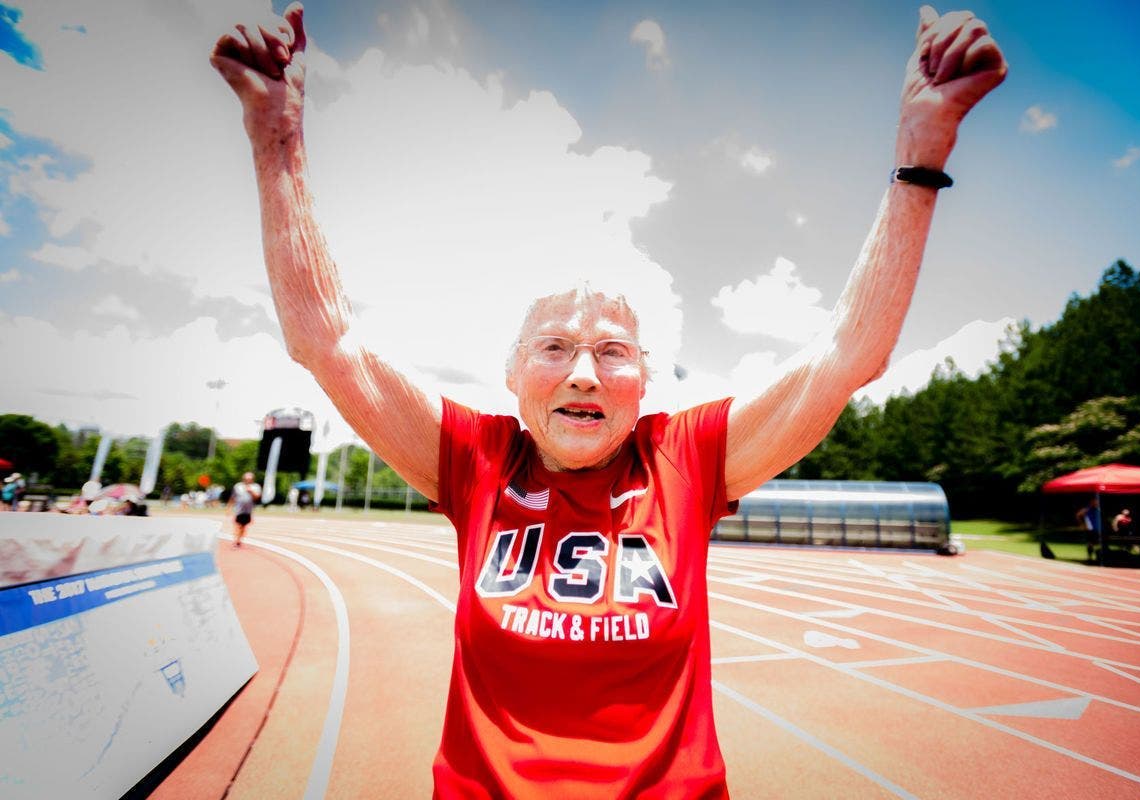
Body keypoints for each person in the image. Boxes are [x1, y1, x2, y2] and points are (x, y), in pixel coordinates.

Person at [211, 4, 1005, 796]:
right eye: (555, 349)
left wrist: (920, 155)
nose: (584, 373)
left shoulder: (686, 458)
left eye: (612, 353)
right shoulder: (477, 458)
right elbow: (329, 343)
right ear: (514, 376)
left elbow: (845, 356)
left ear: (645, 381)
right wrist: (274, 136)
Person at [227, 472, 262, 547]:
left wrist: (251, 491)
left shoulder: (256, 487)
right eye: (246, 479)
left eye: (250, 479)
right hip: (238, 509)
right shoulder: (238, 486)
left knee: (243, 526)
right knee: (237, 525)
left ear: (252, 479)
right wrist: (228, 508)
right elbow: (233, 497)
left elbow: (257, 497)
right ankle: (236, 540)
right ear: (243, 479)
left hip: (248, 510)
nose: (248, 480)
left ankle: (239, 539)